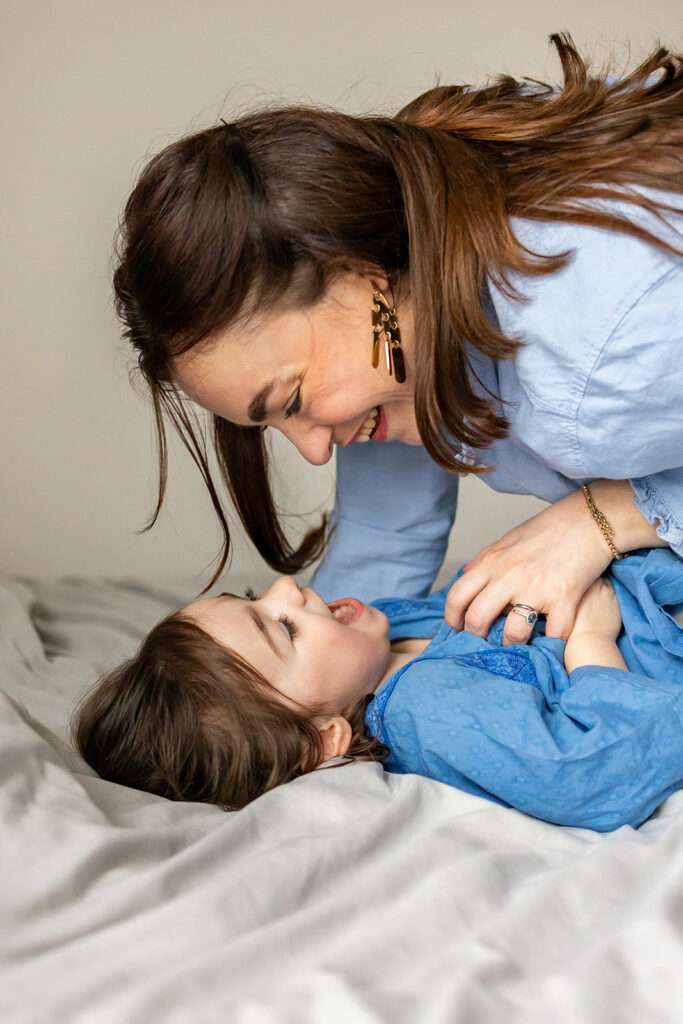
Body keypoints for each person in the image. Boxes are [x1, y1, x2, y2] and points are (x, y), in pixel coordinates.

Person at [112, 34, 683, 645]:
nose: (314, 451)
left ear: (362, 276)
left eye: (295, 400)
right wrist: (283, 697)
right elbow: (384, 535)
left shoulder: (608, 340)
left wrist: (605, 518)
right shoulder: (406, 271)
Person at [74, 548, 683, 831]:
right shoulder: (428, 712)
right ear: (322, 739)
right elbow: (586, 774)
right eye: (282, 628)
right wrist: (593, 645)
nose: (288, 586)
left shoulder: (379, 636)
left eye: (255, 596)